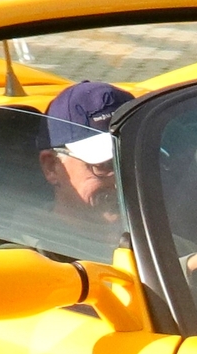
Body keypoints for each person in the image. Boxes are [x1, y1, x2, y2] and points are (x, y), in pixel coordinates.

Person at [38, 81, 134, 243]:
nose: (120, 183)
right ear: (51, 168)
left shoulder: (169, 243)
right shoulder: (20, 258)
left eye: (131, 162)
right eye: (104, 165)